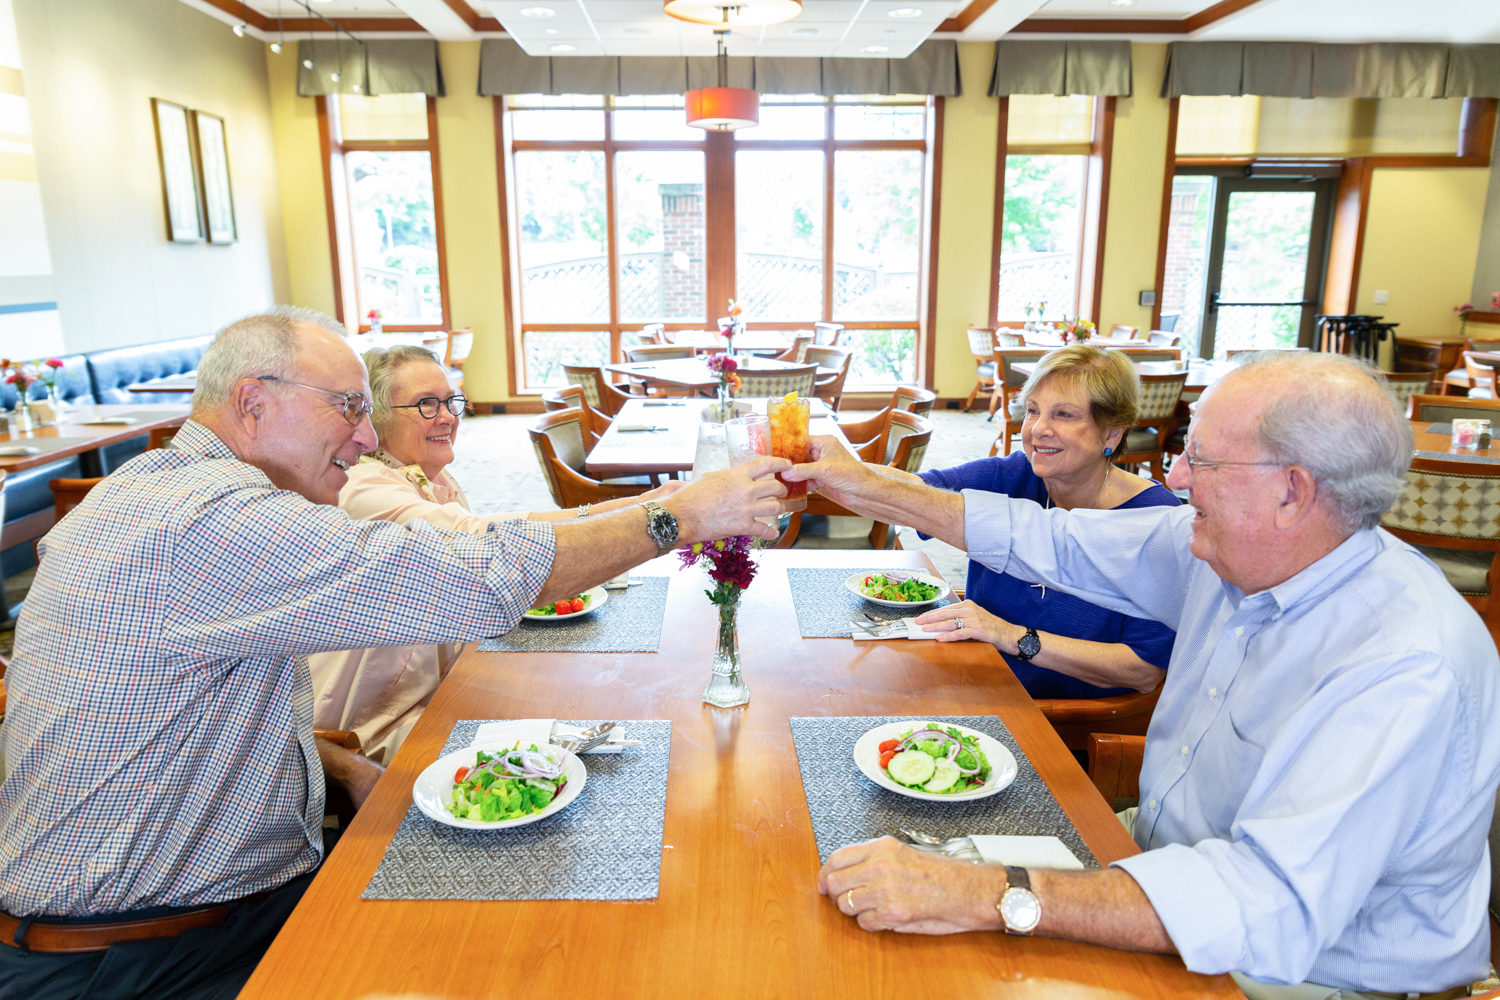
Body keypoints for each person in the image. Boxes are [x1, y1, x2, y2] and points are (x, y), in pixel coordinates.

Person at [0, 306, 787, 1000]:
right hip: (141, 958)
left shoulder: (159, 493)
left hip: (197, 910)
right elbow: (476, 576)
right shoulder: (204, 522)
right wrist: (674, 519)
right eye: (349, 407)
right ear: (251, 402)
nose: (370, 437)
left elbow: (175, 706)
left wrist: (330, 765)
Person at [791, 351, 1500, 999]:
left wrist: (984, 895)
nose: (1176, 478)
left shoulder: (1403, 661)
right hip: (1161, 859)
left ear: (1293, 492)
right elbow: (1047, 540)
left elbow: (1265, 903)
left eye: (1203, 463)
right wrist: (863, 484)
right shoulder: (1231, 554)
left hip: (1304, 972)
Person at [310, 345, 683, 764]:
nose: (448, 416)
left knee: (578, 702)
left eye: (451, 401)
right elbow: (483, 540)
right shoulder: (362, 487)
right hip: (369, 724)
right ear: (378, 415)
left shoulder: (430, 476)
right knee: (551, 750)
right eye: (426, 405)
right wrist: (648, 510)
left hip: (437, 685)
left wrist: (646, 503)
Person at [909, 345, 1178, 698]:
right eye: (1033, 410)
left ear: (1112, 433)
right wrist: (847, 473)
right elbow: (916, 489)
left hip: (1063, 717)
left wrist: (1009, 635)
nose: (1038, 429)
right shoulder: (1013, 477)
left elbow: (1142, 670)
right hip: (976, 680)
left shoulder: (1155, 522)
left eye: (1063, 414)